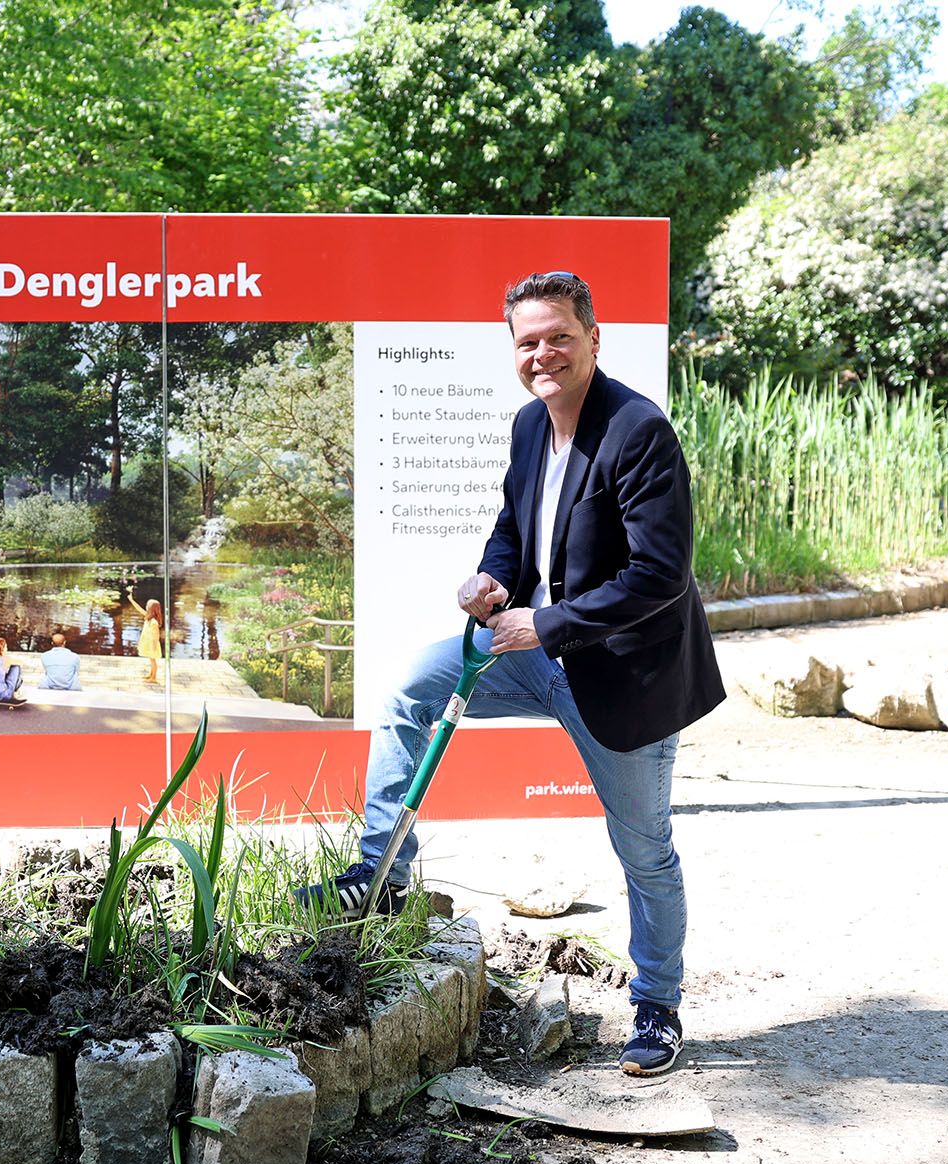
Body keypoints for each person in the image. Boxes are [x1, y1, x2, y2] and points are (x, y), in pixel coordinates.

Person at [298, 270, 724, 1078]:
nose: (543, 353)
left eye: (559, 335)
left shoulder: (639, 430)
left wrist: (548, 622)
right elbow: (511, 533)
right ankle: (380, 870)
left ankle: (658, 1005)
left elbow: (661, 576)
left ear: (594, 337)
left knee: (644, 849)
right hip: (535, 652)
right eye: (528, 340)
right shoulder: (531, 426)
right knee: (410, 690)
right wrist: (491, 581)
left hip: (623, 674)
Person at [127, 589, 165, 684]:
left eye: (148, 606)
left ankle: (154, 677)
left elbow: (156, 635)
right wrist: (131, 600)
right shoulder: (148, 617)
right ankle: (151, 675)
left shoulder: (154, 622)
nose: (146, 606)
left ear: (151, 608)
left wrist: (154, 646)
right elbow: (139, 609)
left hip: (153, 644)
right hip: (148, 642)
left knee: (153, 661)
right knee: (151, 660)